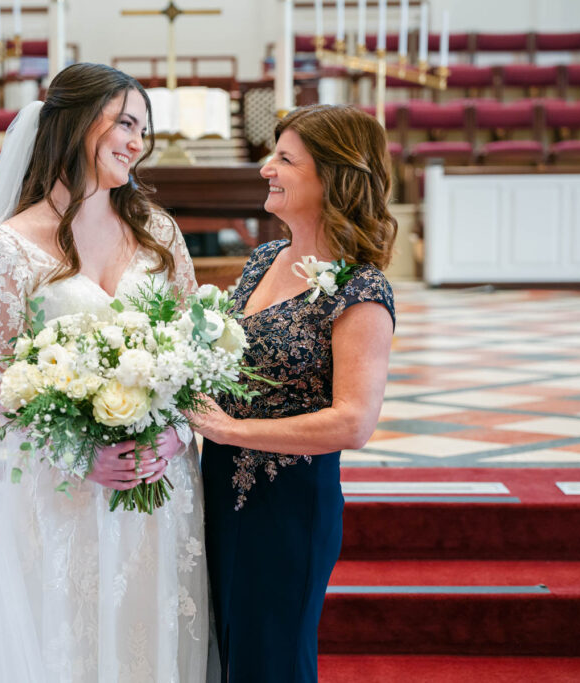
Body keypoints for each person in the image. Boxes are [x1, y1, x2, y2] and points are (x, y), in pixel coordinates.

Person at [0, 63, 209, 682]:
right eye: (124, 123)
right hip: (65, 492)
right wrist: (82, 455)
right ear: (74, 125)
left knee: (154, 638)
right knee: (69, 642)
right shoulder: (11, 247)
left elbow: (197, 353)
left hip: (159, 487)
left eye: (143, 129)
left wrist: (176, 434)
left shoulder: (160, 234)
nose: (137, 142)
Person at [191, 104, 397, 683]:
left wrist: (231, 430)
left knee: (271, 661)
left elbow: (354, 422)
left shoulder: (361, 289)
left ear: (332, 177)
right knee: (226, 654)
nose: (265, 169)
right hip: (219, 492)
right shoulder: (263, 260)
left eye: (284, 159)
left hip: (287, 508)